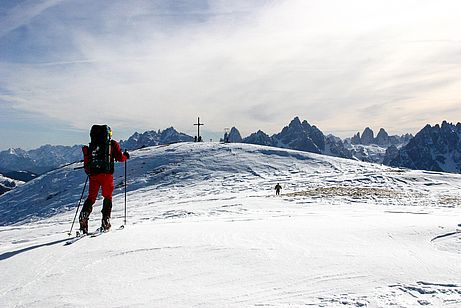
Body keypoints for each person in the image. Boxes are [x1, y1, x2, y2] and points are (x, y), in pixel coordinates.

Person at [79, 126, 129, 234]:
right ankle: (106, 220)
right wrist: (126, 156)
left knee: (91, 198)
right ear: (109, 134)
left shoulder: (92, 145)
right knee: (107, 197)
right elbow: (120, 158)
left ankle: (84, 215)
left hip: (93, 175)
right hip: (106, 175)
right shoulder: (112, 144)